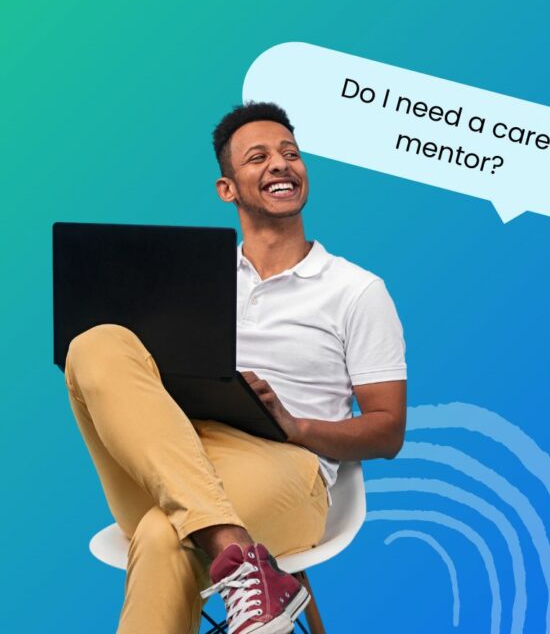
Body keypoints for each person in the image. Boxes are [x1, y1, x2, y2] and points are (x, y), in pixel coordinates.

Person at [65, 101, 407, 634]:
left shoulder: (356, 291)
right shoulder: (191, 279)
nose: (280, 164)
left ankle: (233, 555)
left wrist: (299, 427)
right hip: (175, 455)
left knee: (164, 534)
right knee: (93, 343)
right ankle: (243, 562)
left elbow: (388, 431)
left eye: (290, 154)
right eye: (258, 157)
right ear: (227, 188)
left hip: (286, 466)